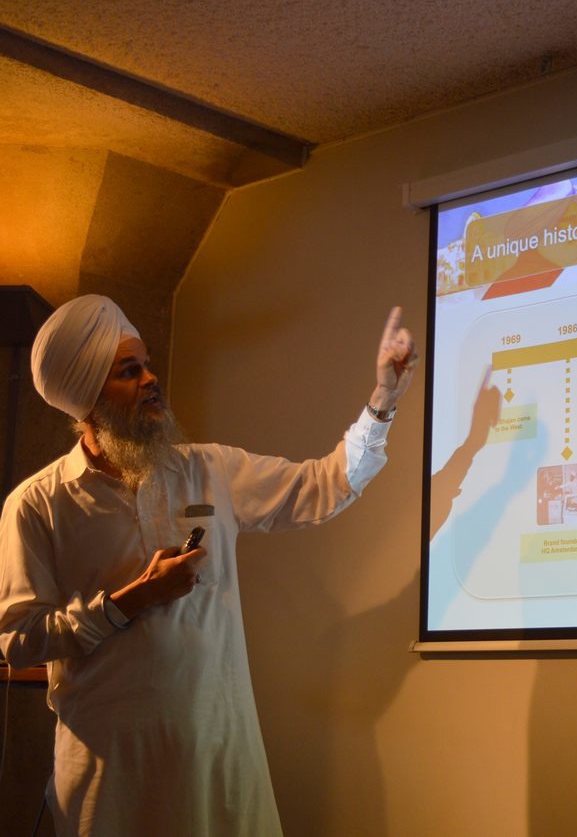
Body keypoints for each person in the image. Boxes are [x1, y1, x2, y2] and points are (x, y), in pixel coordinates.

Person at [0, 294, 492, 836]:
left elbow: (325, 484)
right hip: (110, 780)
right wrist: (130, 600)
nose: (151, 379)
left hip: (218, 763)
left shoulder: (208, 468)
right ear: (89, 398)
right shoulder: (38, 504)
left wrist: (383, 401)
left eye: (147, 364)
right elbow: (18, 638)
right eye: (129, 371)